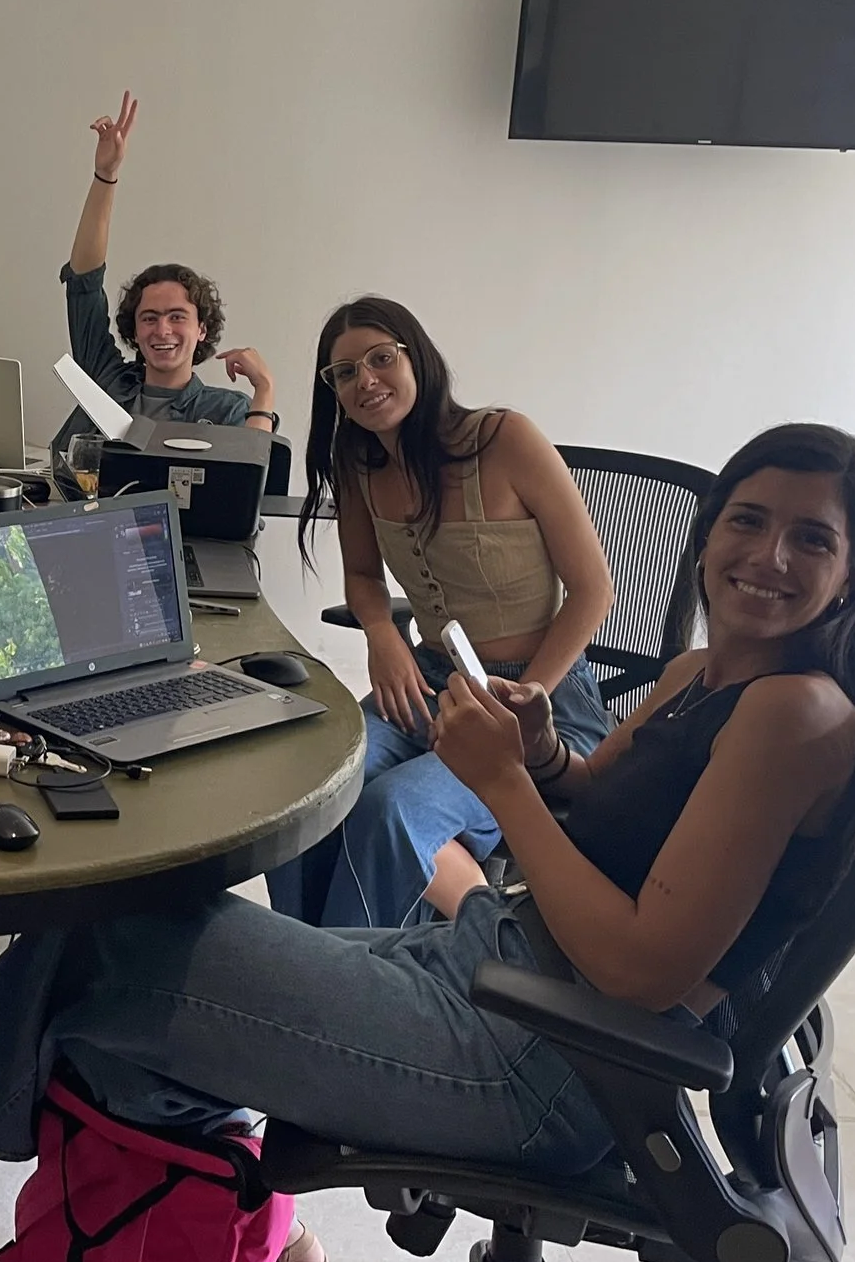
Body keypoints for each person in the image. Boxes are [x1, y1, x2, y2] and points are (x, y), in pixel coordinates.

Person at [0, 424, 855, 1199]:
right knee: (140, 968)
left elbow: (643, 971)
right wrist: (540, 748)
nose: (767, 558)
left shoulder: (795, 717)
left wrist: (500, 787)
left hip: (542, 1059)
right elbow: (586, 799)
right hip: (498, 970)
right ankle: (232, 1231)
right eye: (748, 522)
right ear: (708, 531)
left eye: (811, 540)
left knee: (110, 936)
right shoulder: (700, 673)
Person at [263, 300, 616, 928]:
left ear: (415, 356)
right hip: (433, 684)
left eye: (380, 358)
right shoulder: (359, 464)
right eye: (343, 373)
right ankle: (306, 958)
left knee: (389, 811)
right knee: (308, 786)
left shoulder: (505, 439)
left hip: (542, 701)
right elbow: (364, 576)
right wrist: (381, 634)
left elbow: (593, 591)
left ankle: (354, 992)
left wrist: (526, 697)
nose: (366, 380)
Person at [49, 94, 277, 455]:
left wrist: (264, 389)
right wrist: (105, 176)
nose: (162, 330)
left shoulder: (225, 410)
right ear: (135, 331)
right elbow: (84, 281)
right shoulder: (105, 379)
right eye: (149, 318)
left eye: (177, 317)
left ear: (201, 328)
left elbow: (250, 479)